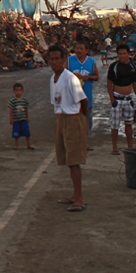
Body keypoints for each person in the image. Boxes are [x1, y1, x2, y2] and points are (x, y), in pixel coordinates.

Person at [48, 44, 88, 212]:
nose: (55, 62)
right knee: (67, 159)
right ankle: (74, 195)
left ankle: (79, 198)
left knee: (74, 160)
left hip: (73, 118)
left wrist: (81, 121)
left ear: (64, 60)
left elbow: (83, 101)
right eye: (52, 59)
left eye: (58, 59)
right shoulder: (53, 79)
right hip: (61, 118)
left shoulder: (70, 78)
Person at [105, 43, 136, 154]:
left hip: (128, 99)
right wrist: (112, 99)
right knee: (115, 125)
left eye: (124, 54)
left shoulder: (132, 67)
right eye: (120, 54)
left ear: (128, 55)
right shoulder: (114, 67)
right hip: (117, 99)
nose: (122, 56)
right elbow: (109, 83)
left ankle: (130, 146)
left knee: (129, 123)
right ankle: (115, 147)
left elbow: (135, 83)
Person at [68, 42, 99, 137]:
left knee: (86, 118)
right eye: (77, 48)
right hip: (72, 96)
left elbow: (96, 77)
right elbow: (64, 75)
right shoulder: (69, 60)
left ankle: (84, 142)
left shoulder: (91, 61)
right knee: (73, 119)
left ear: (86, 51)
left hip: (86, 95)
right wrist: (74, 75)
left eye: (81, 49)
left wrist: (89, 77)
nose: (79, 51)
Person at [9, 82, 33, 150]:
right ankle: (16, 145)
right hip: (16, 119)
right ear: (14, 91)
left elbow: (26, 109)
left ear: (22, 91)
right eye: (16, 90)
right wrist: (11, 119)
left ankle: (28, 144)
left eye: (19, 90)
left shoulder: (24, 100)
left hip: (23, 119)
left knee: (27, 132)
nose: (18, 92)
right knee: (16, 133)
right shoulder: (13, 101)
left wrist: (27, 117)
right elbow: (11, 110)